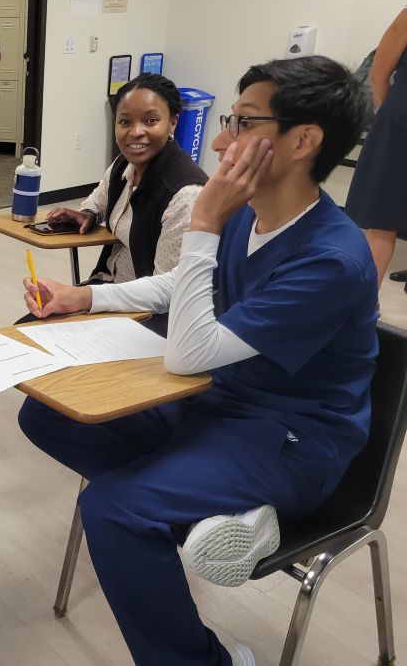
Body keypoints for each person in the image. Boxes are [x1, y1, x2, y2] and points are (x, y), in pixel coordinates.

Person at [19, 56, 375, 665]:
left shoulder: (331, 258)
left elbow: (188, 355)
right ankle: (215, 505)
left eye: (241, 123)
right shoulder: (252, 216)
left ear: (304, 140)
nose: (219, 139)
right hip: (221, 404)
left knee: (113, 510)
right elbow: (182, 283)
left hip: (292, 440)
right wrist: (85, 296)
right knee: (47, 414)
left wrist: (206, 218)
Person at [47, 73, 207, 286]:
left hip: (141, 310)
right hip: (109, 285)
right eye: (125, 121)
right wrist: (88, 214)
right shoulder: (124, 165)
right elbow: (100, 198)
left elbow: (164, 293)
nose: (136, 132)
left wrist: (86, 298)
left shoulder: (185, 195)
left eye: (151, 120)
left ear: (173, 123)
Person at [345, 6, 407, 287]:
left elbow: (380, 75)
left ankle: (360, 309)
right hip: (401, 119)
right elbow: (379, 74)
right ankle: (361, 307)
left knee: (381, 223)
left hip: (400, 115)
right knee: (381, 221)